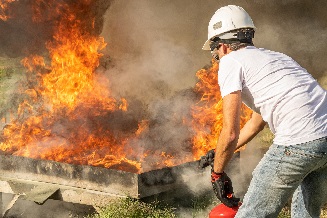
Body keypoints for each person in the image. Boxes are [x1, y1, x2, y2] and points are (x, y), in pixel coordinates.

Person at [202, 5, 327, 218]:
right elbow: (256, 123)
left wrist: (217, 173)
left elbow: (230, 132)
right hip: (323, 138)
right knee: (306, 214)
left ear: (222, 46)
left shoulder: (230, 62)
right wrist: (219, 153)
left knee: (252, 214)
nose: (217, 59)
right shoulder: (275, 58)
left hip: (298, 141)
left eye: (215, 54)